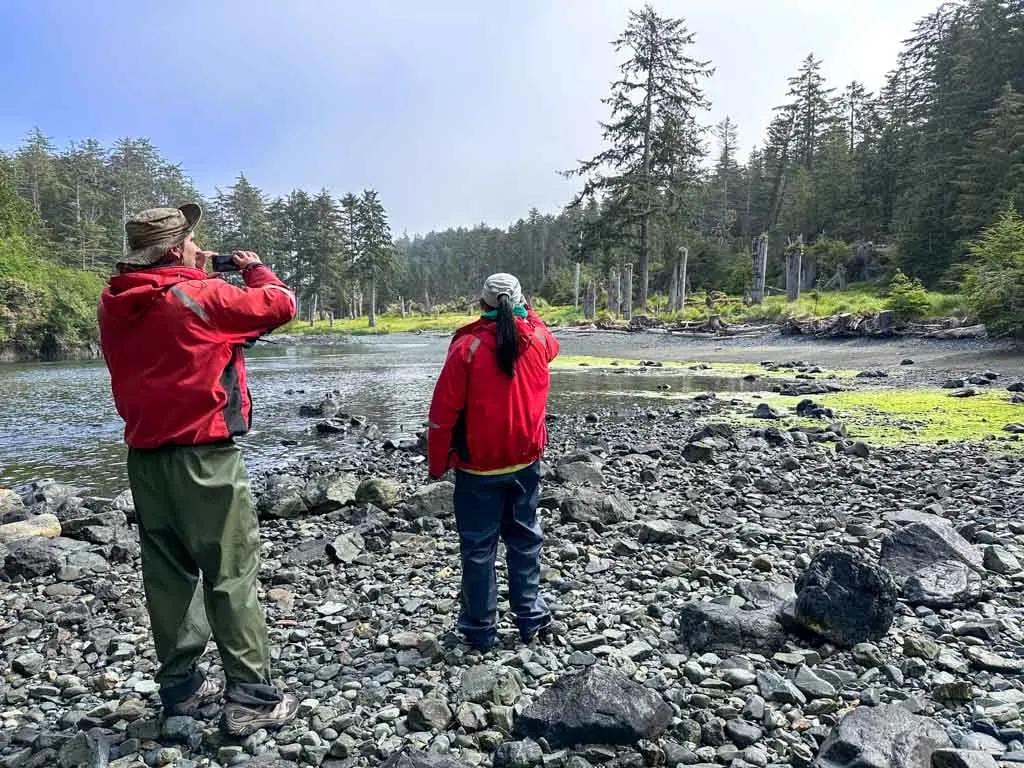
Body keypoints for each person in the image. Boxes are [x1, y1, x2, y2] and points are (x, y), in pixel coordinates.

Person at [97, 203, 299, 736]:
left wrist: (194, 270)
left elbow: (177, 326)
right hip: (205, 457)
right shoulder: (201, 296)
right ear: (173, 249)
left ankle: (181, 688)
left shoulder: (114, 302)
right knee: (230, 572)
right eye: (190, 239)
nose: (197, 245)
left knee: (168, 575)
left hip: (145, 459)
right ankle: (251, 697)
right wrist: (252, 267)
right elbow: (280, 304)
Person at [426, 273, 560, 651]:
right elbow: (548, 338)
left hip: (477, 467)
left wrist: (437, 464)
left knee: (478, 548)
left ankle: (480, 629)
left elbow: (442, 414)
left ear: (481, 303)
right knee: (525, 540)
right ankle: (531, 618)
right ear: (521, 302)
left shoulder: (466, 346)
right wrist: (527, 312)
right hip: (524, 461)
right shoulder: (536, 340)